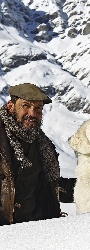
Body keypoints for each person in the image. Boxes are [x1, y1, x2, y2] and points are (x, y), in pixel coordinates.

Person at [0, 83, 74, 226]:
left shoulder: (42, 144)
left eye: (38, 108)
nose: (32, 114)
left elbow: (53, 186)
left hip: (35, 229)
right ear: (11, 106)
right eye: (26, 106)